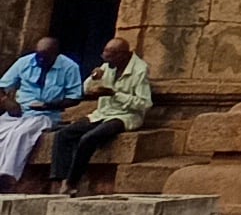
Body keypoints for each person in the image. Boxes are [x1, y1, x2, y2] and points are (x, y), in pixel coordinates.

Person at [49, 32, 150, 194]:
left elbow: (144, 104)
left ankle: (72, 181)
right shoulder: (107, 67)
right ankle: (60, 179)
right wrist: (94, 78)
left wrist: (115, 94)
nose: (106, 61)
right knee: (64, 134)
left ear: (123, 55)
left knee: (89, 138)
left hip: (125, 116)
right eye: (104, 56)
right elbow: (85, 89)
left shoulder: (139, 70)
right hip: (102, 113)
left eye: (110, 57)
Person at [0, 33, 79, 188]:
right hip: (20, 112)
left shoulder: (70, 67)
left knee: (21, 134)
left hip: (46, 115)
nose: (41, 60)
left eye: (45, 57)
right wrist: (6, 101)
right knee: (4, 131)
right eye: (39, 56)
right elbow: (2, 86)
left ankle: (6, 176)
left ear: (55, 54)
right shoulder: (24, 62)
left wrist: (49, 105)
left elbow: (75, 97)